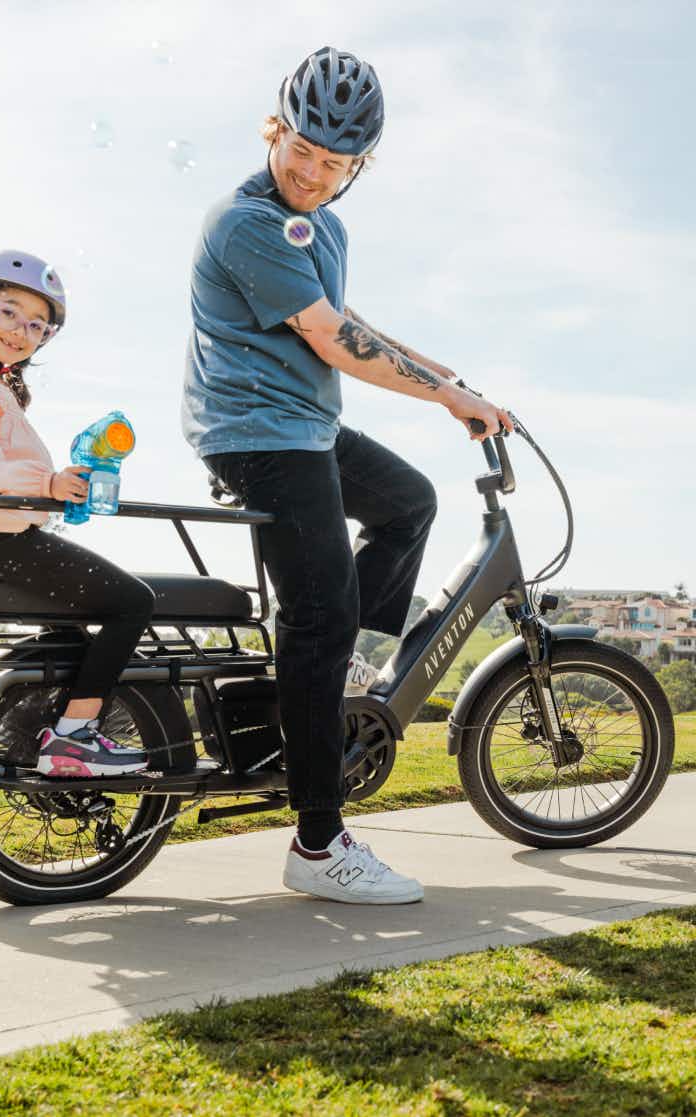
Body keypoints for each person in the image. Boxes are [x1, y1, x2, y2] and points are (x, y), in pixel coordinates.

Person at [182, 46, 514, 904]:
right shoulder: (245, 220)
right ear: (274, 130)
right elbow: (331, 341)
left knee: (409, 501)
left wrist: (456, 381)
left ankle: (323, 680)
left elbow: (349, 319)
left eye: (335, 164)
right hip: (255, 434)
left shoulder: (323, 226)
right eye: (301, 150)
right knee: (320, 612)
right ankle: (319, 846)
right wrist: (444, 397)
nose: (312, 174)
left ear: (359, 167)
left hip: (307, 429)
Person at [0, 249, 155, 777]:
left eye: (37, 326)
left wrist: (57, 487)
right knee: (133, 603)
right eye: (9, 312)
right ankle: (73, 739)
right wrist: (47, 482)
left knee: (75, 637)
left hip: (0, 537)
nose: (22, 332)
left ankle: (49, 732)